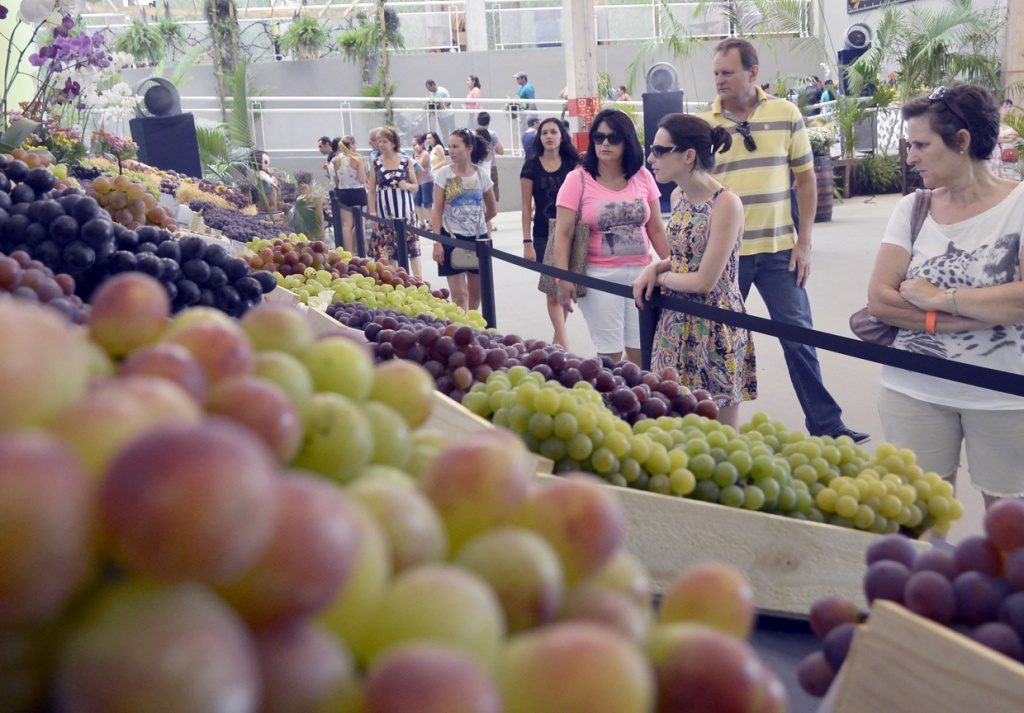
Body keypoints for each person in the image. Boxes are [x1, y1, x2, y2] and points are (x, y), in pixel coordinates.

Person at [697, 37, 868, 443]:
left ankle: (828, 426)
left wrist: (804, 241)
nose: (719, 80)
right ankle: (704, 426)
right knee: (713, 343)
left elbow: (805, 180)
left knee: (800, 339)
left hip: (779, 253)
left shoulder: (787, 114)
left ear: (753, 73)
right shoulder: (706, 125)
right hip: (726, 257)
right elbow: (696, 187)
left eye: (728, 72)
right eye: (716, 73)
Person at [866, 83, 1024, 508]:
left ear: (961, 141)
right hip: (912, 389)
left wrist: (938, 298)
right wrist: (981, 311)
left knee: (1010, 530)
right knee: (917, 520)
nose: (910, 156)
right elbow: (881, 299)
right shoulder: (913, 208)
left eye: (921, 144)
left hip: (1004, 395)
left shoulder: (1020, 205)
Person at [632, 114, 755, 430]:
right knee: (669, 419)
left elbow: (704, 280)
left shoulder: (726, 203)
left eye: (660, 150)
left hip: (716, 325)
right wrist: (656, 265)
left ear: (688, 156)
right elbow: (684, 257)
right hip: (675, 322)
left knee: (720, 431)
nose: (651, 158)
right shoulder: (678, 196)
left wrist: (659, 278)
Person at [553, 108, 669, 366]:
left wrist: (676, 264)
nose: (604, 143)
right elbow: (563, 234)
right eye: (598, 137)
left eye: (613, 138)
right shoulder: (577, 179)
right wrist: (562, 278)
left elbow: (656, 228)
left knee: (642, 353)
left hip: (643, 274)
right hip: (598, 277)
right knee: (610, 355)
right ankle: (609, 403)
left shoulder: (642, 175)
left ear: (627, 141)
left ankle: (639, 403)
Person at [521, 117, 580, 349]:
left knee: (566, 288)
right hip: (544, 233)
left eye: (553, 132)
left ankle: (557, 341)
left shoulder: (574, 164)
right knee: (552, 291)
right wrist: (527, 241)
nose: (548, 136)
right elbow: (526, 206)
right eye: (544, 132)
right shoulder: (531, 166)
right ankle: (565, 346)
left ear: (562, 136)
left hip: (572, 233)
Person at [431, 127, 497, 312]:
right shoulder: (444, 174)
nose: (451, 151)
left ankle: (471, 329)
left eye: (455, 146)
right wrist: (437, 241)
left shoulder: (481, 175)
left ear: (468, 148)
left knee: (476, 296)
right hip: (450, 238)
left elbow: (492, 209)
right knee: (460, 296)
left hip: (478, 240)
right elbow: (436, 210)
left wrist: (476, 221)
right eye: (449, 147)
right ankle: (462, 333)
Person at [368, 127, 422, 278]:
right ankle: (397, 280)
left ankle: (418, 280)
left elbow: (416, 186)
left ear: (393, 143)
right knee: (389, 250)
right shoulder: (376, 163)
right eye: (379, 142)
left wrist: (407, 185)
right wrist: (373, 214)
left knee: (412, 248)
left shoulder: (406, 161)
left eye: (384, 141)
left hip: (406, 212)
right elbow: (371, 191)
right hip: (385, 213)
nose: (381, 145)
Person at [330, 135, 368, 254]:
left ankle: (348, 252)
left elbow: (336, 180)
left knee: (346, 224)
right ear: (351, 145)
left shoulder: (335, 160)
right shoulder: (358, 159)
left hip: (343, 193)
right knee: (360, 223)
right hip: (358, 191)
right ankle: (361, 249)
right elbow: (362, 180)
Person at [477, 111, 504, 201]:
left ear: (478, 121)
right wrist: (494, 150)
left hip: (476, 166)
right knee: (492, 191)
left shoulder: (474, 133)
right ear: (489, 121)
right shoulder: (492, 134)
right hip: (491, 165)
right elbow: (501, 151)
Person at [994, 98, 1021, 181]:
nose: (1008, 109)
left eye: (1010, 107)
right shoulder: (995, 122)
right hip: (999, 153)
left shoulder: (1014, 121)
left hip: (1012, 152)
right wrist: (1008, 139)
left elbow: (1016, 134)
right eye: (1005, 107)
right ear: (999, 109)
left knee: (1013, 175)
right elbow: (995, 137)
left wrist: (1004, 137)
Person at [411, 134, 434, 230]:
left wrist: (415, 157)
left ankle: (432, 224)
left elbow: (418, 166)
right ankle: (421, 222)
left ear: (421, 145)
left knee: (427, 202)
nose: (415, 147)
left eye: (417, 145)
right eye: (413, 145)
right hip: (419, 181)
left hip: (427, 181)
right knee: (416, 201)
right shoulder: (415, 154)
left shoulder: (425, 153)